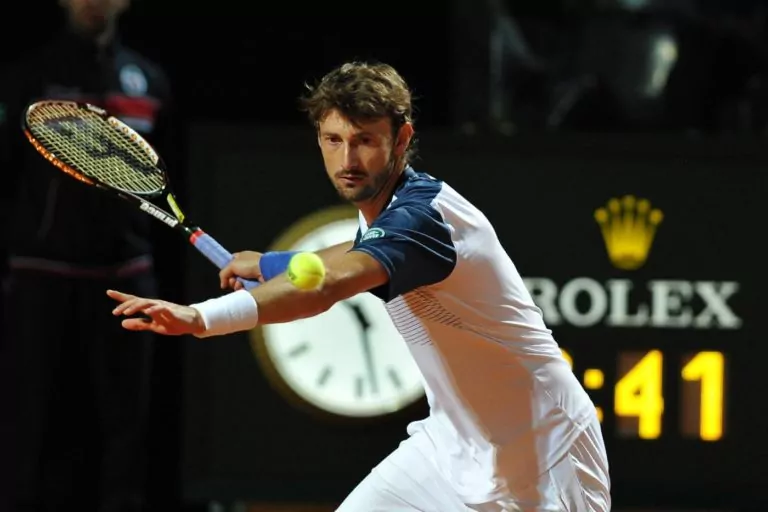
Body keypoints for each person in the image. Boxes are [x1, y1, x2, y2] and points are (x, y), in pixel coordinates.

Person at [107, 61, 611, 511]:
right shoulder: (387, 212)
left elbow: (325, 286)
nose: (347, 159)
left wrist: (202, 317)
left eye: (365, 140)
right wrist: (270, 263)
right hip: (450, 448)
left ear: (402, 138)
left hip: (545, 453)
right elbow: (350, 252)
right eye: (334, 140)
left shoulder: (422, 220)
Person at [0, 0, 175, 510]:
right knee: (25, 416)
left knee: (129, 419)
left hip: (127, 272)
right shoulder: (29, 76)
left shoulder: (149, 80)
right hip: (40, 272)